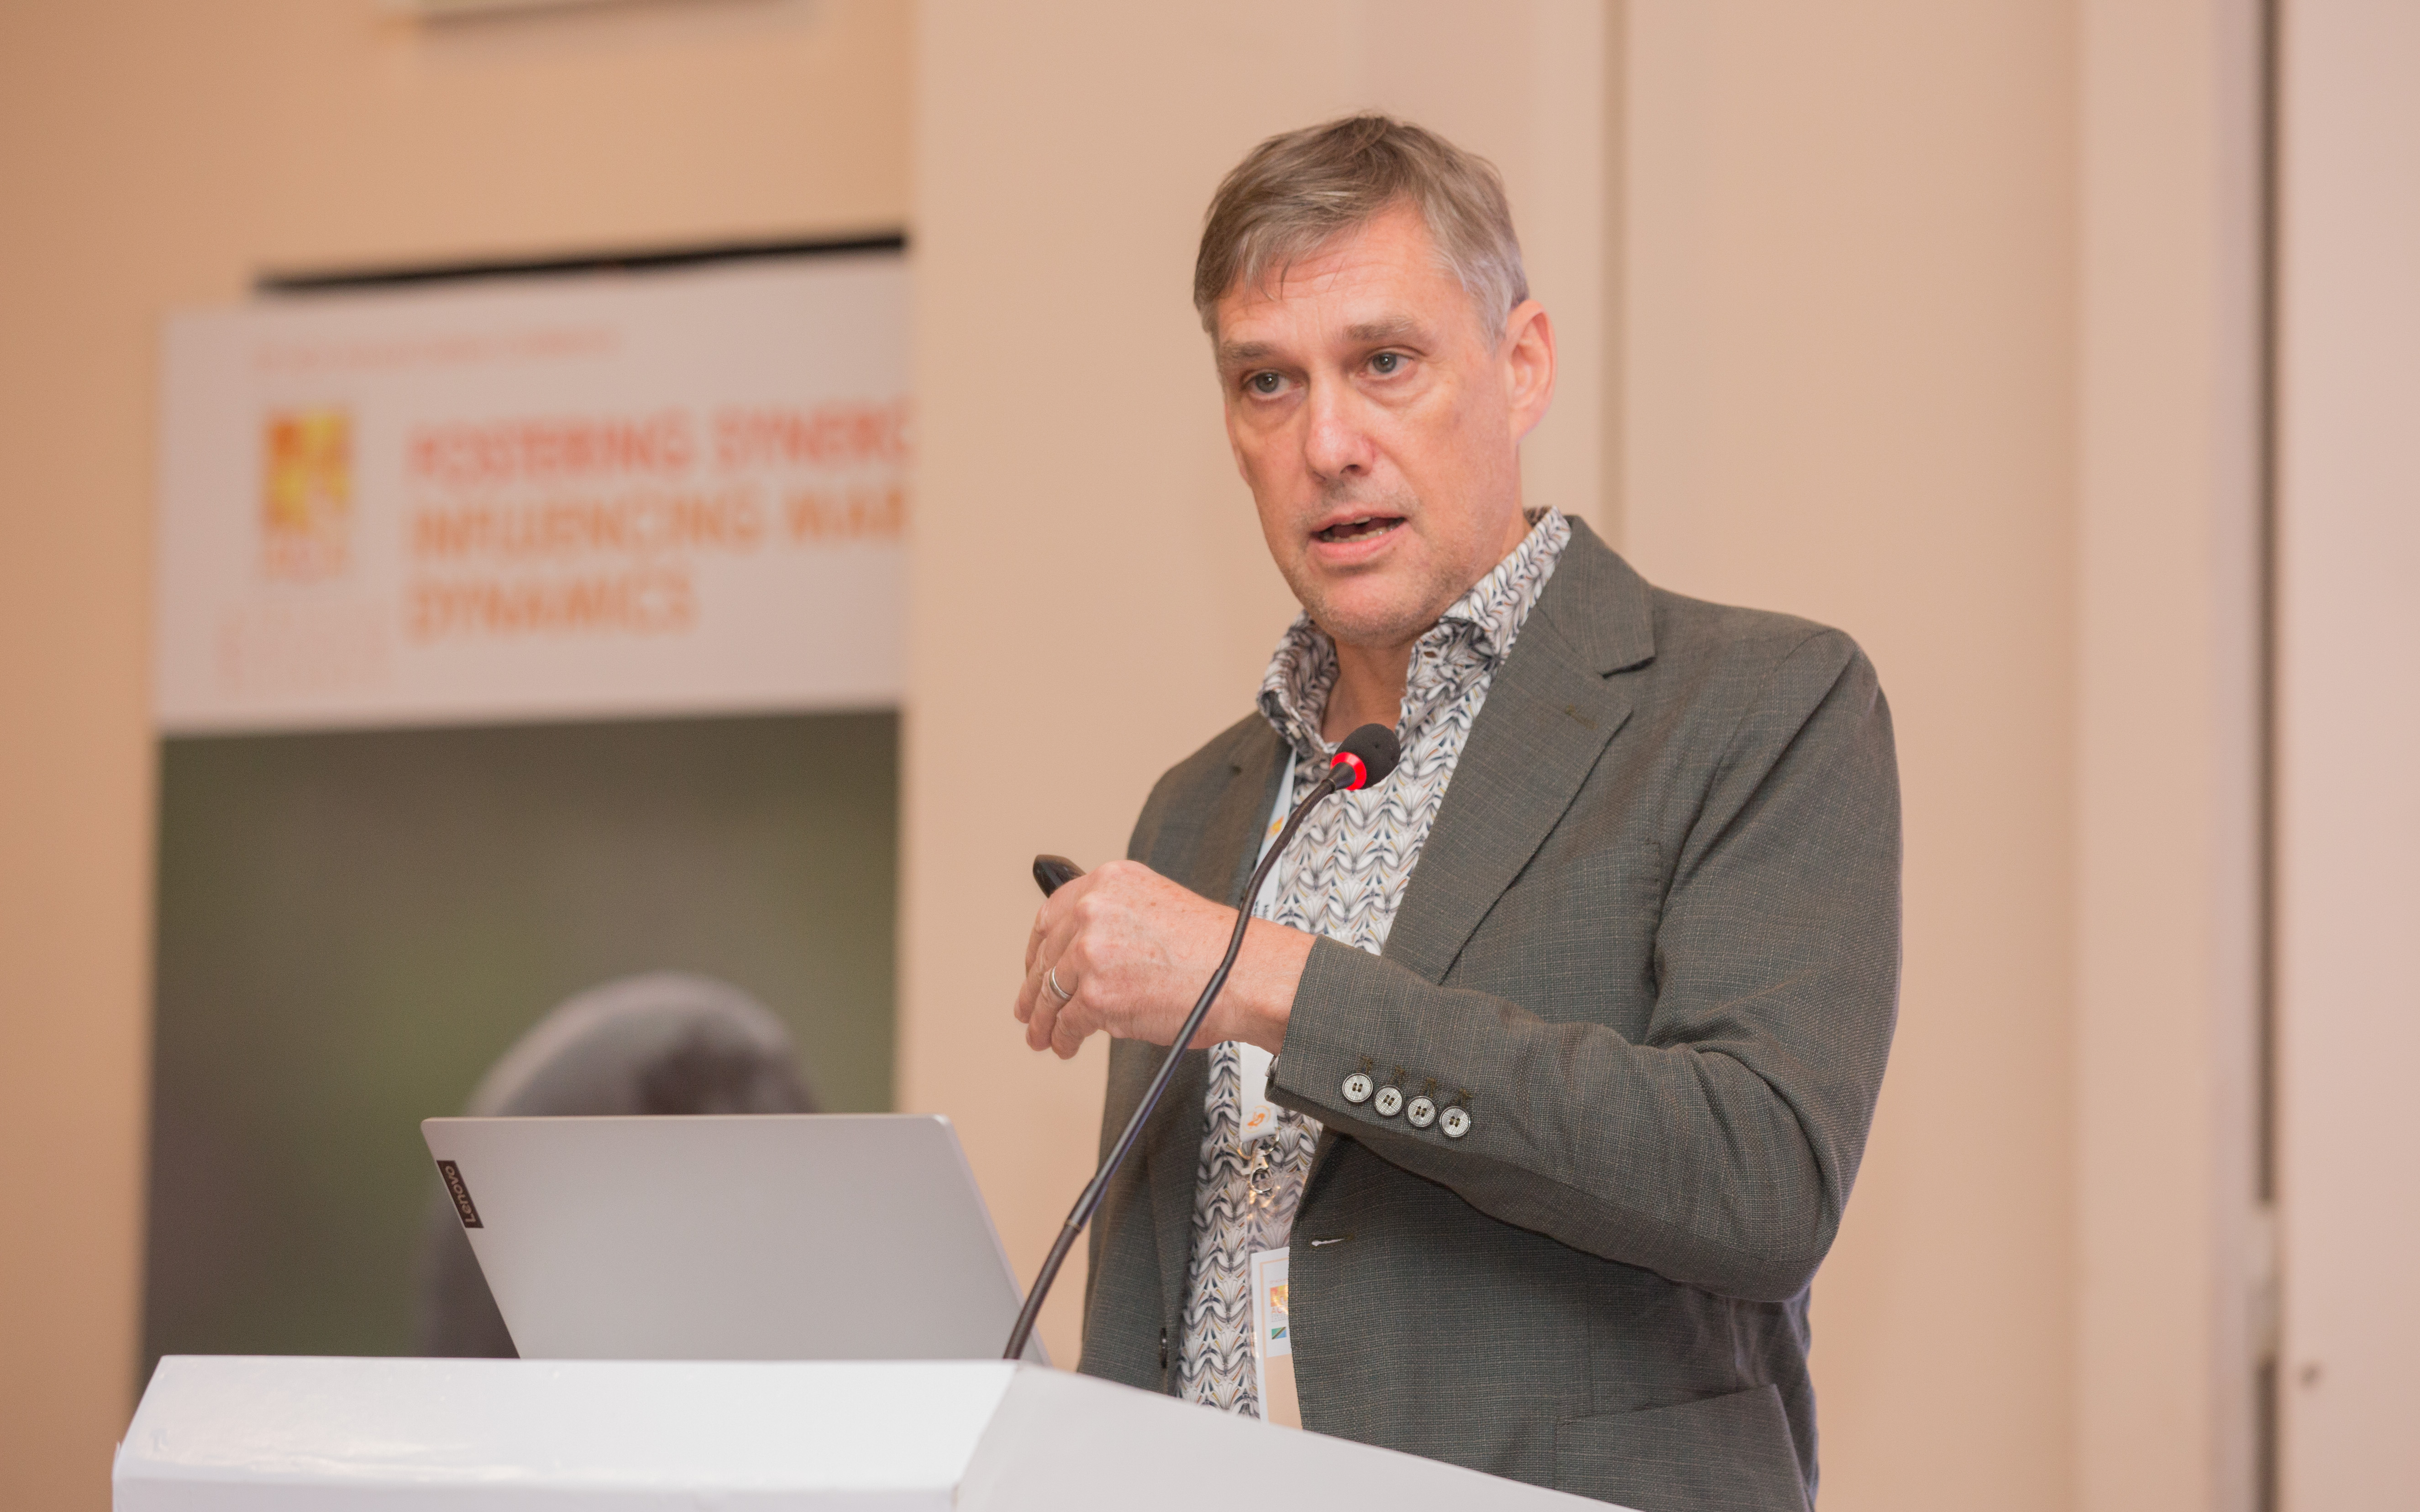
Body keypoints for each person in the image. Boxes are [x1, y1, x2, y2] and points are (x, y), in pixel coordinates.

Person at [1012, 114, 1899, 1512]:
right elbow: (1156, 1297)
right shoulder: (1198, 803)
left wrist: (1267, 982)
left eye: (1385, 362)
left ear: (1522, 363)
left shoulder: (1757, 705)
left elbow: (1762, 1178)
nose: (1328, 442)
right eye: (1267, 381)